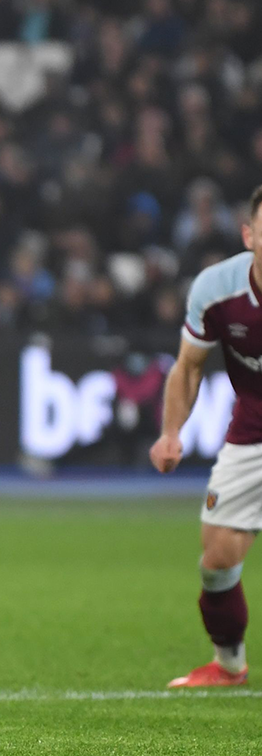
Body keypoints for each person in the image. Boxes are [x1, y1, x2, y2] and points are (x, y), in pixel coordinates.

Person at [149, 184, 262, 689]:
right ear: (249, 234)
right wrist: (171, 432)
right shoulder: (217, 288)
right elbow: (189, 368)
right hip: (252, 431)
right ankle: (229, 666)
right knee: (216, 560)